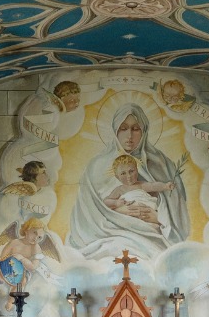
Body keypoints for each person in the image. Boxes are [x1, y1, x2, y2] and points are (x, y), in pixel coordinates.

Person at [67, 103, 190, 261]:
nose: (129, 136)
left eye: (136, 129)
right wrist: (119, 212)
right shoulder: (96, 166)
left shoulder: (162, 164)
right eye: (123, 128)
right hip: (107, 234)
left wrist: (159, 217)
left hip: (153, 234)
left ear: (144, 130)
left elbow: (177, 211)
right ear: (115, 130)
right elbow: (85, 215)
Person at [103, 154, 176, 232]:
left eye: (131, 171)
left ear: (137, 171)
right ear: (117, 177)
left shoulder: (141, 185)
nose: (128, 176)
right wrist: (116, 203)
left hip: (147, 214)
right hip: (130, 217)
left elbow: (153, 186)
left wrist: (165, 186)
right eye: (123, 173)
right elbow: (105, 202)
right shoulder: (119, 190)